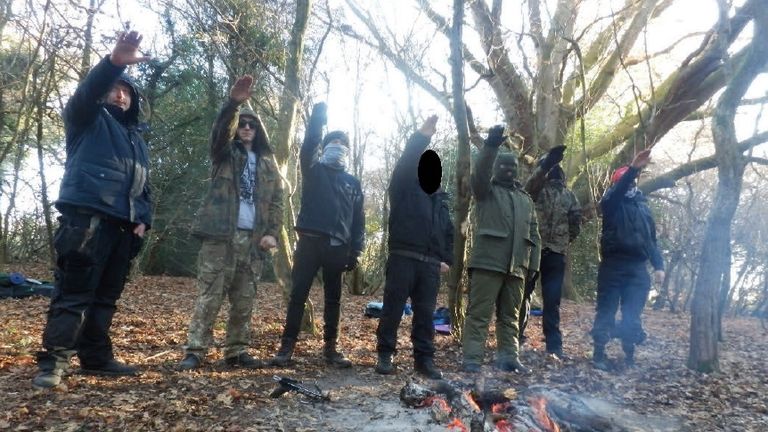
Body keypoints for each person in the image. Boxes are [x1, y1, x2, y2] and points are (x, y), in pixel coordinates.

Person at [33, 31, 153, 388]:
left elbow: (144, 189)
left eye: (127, 91)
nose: (120, 94)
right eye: (114, 88)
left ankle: (96, 358)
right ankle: (53, 363)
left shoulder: (137, 141)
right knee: (74, 293)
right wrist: (113, 63)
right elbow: (86, 93)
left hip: (124, 228)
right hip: (86, 221)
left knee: (106, 297)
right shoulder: (85, 119)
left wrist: (143, 221)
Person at [178, 75, 283, 370]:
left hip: (253, 241)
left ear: (258, 130)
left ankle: (236, 351)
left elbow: (277, 202)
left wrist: (272, 234)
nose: (247, 128)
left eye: (252, 124)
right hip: (220, 235)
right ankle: (195, 350)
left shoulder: (268, 164)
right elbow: (219, 133)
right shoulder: (224, 154)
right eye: (243, 123)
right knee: (209, 295)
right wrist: (234, 104)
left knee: (245, 299)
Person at [271, 102, 365, 368]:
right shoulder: (314, 170)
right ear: (325, 147)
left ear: (347, 150)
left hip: (339, 248)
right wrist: (316, 121)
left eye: (342, 143)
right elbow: (308, 147)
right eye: (333, 141)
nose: (338, 145)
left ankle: (331, 349)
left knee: (334, 300)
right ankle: (286, 348)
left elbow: (359, 220)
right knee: (298, 295)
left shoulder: (353, 183)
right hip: (309, 243)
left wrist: (356, 251)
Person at [374, 115, 454, 380]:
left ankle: (424, 359)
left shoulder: (441, 200)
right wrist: (421, 138)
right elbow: (407, 161)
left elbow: (449, 233)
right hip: (403, 257)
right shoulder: (404, 186)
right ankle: (386, 353)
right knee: (392, 309)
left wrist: (447, 260)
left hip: (430, 265)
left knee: (425, 315)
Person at [462, 125, 541, 374]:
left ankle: (509, 358)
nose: (509, 170)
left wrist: (534, 267)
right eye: (504, 166)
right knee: (479, 315)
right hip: (488, 263)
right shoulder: (486, 191)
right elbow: (480, 173)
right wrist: (491, 146)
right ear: (497, 169)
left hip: (517, 267)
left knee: (511, 317)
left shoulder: (525, 199)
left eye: (513, 168)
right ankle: (472, 360)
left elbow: (535, 235)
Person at [591, 149, 664, 370]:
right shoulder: (611, 202)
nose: (631, 186)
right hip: (613, 266)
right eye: (626, 182)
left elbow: (651, 240)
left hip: (637, 269)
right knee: (606, 310)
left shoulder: (643, 208)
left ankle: (629, 355)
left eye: (633, 182)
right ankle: (598, 354)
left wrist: (659, 266)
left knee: (632, 314)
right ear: (619, 183)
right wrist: (633, 168)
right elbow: (618, 191)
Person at [519, 146, 581, 359]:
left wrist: (562, 242)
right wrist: (545, 165)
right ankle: (516, 338)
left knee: (551, 301)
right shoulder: (537, 190)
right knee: (524, 295)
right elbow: (529, 187)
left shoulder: (570, 196)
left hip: (554, 254)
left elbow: (575, 225)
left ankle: (554, 346)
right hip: (534, 250)